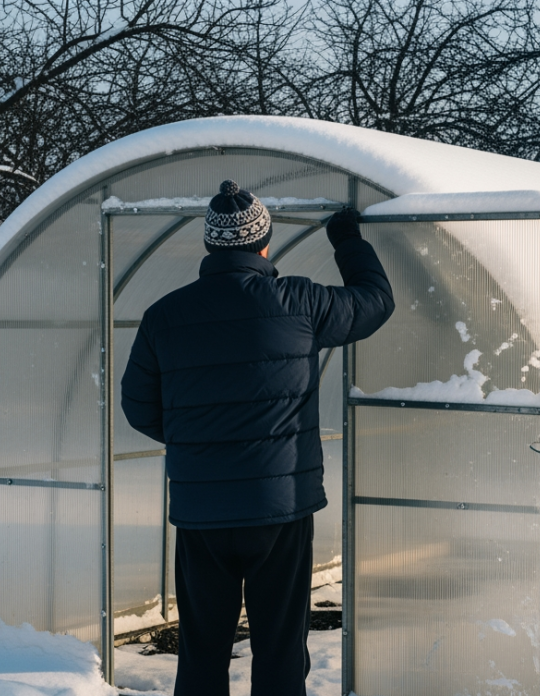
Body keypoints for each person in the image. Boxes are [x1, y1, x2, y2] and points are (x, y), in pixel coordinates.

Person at [120, 179, 394, 696]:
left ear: (209, 246)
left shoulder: (164, 316)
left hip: (202, 514)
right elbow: (376, 301)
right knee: (280, 647)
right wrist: (346, 240)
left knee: (202, 648)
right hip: (281, 509)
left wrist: (195, 441)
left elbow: (138, 406)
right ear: (263, 243)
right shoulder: (300, 302)